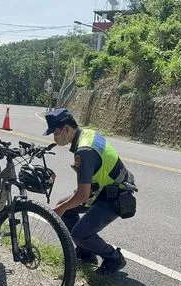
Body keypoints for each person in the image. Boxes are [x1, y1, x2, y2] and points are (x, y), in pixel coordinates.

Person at [43, 108, 138, 276]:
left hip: (116, 196)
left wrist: (61, 209)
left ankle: (114, 258)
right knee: (66, 208)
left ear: (67, 129)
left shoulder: (84, 151)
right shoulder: (87, 133)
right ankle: (87, 254)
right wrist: (64, 207)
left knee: (78, 232)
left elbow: (82, 195)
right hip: (103, 190)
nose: (55, 138)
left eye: (56, 133)